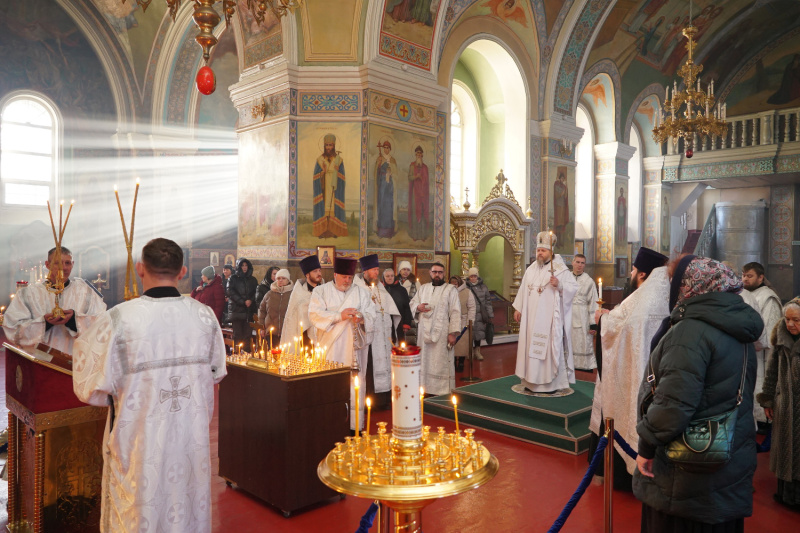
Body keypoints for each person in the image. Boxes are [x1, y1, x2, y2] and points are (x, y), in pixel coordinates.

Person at [72, 238, 227, 533]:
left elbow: (87, 385)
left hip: (140, 443)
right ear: (182, 271)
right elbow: (217, 372)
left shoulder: (120, 319)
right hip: (189, 440)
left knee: (139, 507)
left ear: (140, 268)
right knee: (187, 503)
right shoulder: (204, 318)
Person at [634, 256, 762, 532]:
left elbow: (673, 406)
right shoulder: (737, 326)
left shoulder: (690, 331)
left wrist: (646, 445)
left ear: (691, 286)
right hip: (729, 460)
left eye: (674, 282)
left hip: (686, 475)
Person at [589, 247, 669, 490]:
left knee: (621, 412)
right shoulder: (665, 294)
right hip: (658, 378)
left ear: (642, 274)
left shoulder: (640, 297)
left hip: (632, 375)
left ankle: (622, 478)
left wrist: (602, 319)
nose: (631, 274)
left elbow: (616, 327)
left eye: (633, 270)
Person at [308, 257, 376, 431]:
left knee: (354, 386)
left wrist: (361, 318)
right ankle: (330, 424)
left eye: (350, 277)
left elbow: (371, 315)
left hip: (354, 350)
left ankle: (354, 427)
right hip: (331, 348)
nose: (348, 281)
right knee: (332, 385)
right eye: (344, 277)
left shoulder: (362, 292)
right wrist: (340, 316)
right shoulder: (321, 292)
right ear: (335, 274)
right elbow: (314, 315)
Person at [3, 246, 106, 354]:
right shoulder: (29, 294)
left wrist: (74, 321)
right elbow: (12, 328)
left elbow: (102, 323)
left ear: (73, 264)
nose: (64, 268)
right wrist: (45, 323)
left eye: (67, 263)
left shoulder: (85, 292)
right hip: (40, 360)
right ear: (47, 265)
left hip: (75, 361)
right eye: (58, 263)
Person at [512, 231, 578, 393]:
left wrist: (559, 285)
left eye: (543, 250)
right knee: (530, 347)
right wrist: (518, 308)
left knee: (546, 349)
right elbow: (523, 288)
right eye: (538, 250)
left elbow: (573, 289)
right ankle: (530, 382)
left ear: (551, 252)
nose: (540, 253)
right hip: (530, 318)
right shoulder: (531, 269)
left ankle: (549, 385)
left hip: (548, 320)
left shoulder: (561, 271)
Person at [757, 298, 800, 510]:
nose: (791, 324)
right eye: (788, 319)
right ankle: (785, 495)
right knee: (786, 452)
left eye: (796, 320)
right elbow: (772, 371)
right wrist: (768, 398)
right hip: (786, 405)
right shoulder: (781, 338)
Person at [355, 254, 400, 409]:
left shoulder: (381, 289)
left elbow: (390, 310)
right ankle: (371, 401)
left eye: (377, 269)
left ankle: (384, 399)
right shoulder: (357, 289)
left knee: (385, 365)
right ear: (365, 271)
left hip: (384, 336)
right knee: (370, 368)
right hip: (369, 337)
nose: (376, 273)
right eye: (373, 270)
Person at [409, 262, 461, 395]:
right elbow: (413, 303)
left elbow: (455, 311)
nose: (437, 274)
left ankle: (441, 390)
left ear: (444, 274)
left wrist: (453, 333)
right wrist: (418, 307)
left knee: (440, 360)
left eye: (440, 272)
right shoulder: (423, 288)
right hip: (423, 332)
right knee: (425, 360)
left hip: (442, 333)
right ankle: (424, 388)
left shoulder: (450, 289)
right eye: (434, 272)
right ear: (430, 273)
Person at [742, 261, 783, 427]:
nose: (745, 279)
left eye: (749, 276)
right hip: (749, 352)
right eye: (743, 275)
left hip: (763, 356)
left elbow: (771, 333)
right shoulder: (744, 294)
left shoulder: (768, 298)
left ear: (761, 277)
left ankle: (764, 423)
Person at [281, 255, 324, 351]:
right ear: (307, 275)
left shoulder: (325, 290)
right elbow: (292, 318)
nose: (319, 274)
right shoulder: (299, 293)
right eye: (315, 271)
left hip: (322, 335)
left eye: (319, 270)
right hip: (303, 338)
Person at [313, 133, 348, 238]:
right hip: (323, 189)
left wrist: (338, 172)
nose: (328, 147)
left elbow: (343, 177)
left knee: (333, 209)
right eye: (327, 145)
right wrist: (322, 172)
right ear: (324, 146)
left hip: (334, 188)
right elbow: (315, 177)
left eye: (330, 145)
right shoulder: (319, 160)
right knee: (324, 209)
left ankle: (332, 230)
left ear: (334, 146)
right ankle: (324, 230)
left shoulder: (339, 160)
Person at [570, 254, 598, 371]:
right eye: (577, 262)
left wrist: (593, 324)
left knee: (583, 340)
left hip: (583, 315)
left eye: (582, 263)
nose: (579, 265)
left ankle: (583, 365)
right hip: (568, 314)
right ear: (572, 262)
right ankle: (567, 362)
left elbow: (593, 303)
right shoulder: (566, 278)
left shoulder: (589, 281)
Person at [258, 269, 292, 350]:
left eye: (283, 278)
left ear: (288, 280)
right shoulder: (269, 294)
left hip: (287, 332)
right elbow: (262, 310)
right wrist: (262, 327)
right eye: (278, 278)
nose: (280, 280)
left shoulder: (292, 294)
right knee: (272, 355)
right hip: (271, 332)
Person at [227, 258, 257, 349]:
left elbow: (256, 292)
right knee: (238, 335)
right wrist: (242, 301)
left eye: (246, 265)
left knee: (248, 335)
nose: (244, 267)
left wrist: (250, 300)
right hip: (237, 310)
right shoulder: (233, 278)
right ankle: (237, 356)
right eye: (242, 265)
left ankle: (247, 356)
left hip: (248, 311)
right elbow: (230, 291)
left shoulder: (253, 279)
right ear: (239, 267)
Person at [465, 267, 493, 361]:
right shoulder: (465, 287)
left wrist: (490, 314)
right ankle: (470, 351)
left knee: (479, 333)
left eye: (475, 276)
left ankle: (477, 351)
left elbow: (488, 301)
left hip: (480, 314)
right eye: (471, 276)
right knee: (470, 333)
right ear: (469, 277)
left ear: (477, 276)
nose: (473, 278)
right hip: (470, 314)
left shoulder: (483, 287)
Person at [450, 275, 476, 372]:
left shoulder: (467, 292)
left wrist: (470, 321)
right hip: (451, 321)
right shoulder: (447, 292)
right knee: (452, 344)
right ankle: (452, 362)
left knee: (462, 345)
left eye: (455, 284)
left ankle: (461, 362)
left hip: (463, 322)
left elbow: (472, 307)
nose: (454, 285)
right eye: (452, 284)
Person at [381, 268, 414, 343]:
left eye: (392, 276)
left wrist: (406, 323)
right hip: (384, 321)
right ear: (383, 277)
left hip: (399, 321)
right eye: (387, 276)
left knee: (399, 343)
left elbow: (407, 307)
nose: (390, 278)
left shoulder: (402, 290)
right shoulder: (380, 290)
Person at [374, 140, 398, 238]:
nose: (386, 149)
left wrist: (391, 171)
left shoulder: (393, 160)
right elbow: (376, 173)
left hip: (389, 186)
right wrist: (379, 165)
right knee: (382, 206)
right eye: (384, 148)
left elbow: (396, 174)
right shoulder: (379, 158)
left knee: (389, 207)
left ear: (390, 149)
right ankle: (381, 231)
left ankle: (389, 232)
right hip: (382, 185)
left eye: (388, 148)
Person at [408, 146, 430, 241]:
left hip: (423, 194)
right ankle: (415, 236)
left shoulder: (425, 167)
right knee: (415, 213)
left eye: (420, 153)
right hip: (415, 193)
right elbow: (409, 177)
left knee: (423, 213)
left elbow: (427, 181)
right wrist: (416, 176)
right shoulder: (412, 165)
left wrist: (423, 181)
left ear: (422, 155)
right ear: (415, 155)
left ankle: (423, 235)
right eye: (417, 154)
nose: (419, 155)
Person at [397, 260, 420, 344]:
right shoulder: (395, 282)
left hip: (411, 314)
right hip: (398, 313)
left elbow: (419, 298)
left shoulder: (416, 283)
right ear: (400, 270)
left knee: (411, 340)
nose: (406, 272)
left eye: (408, 270)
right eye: (404, 269)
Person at [553, 170, 569, 245]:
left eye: (564, 179)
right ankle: (557, 241)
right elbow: (557, 195)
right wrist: (561, 193)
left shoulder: (564, 186)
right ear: (559, 178)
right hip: (558, 206)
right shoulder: (556, 184)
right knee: (558, 224)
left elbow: (565, 197)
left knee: (561, 224)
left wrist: (566, 191)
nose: (563, 180)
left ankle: (561, 241)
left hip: (562, 206)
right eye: (562, 178)